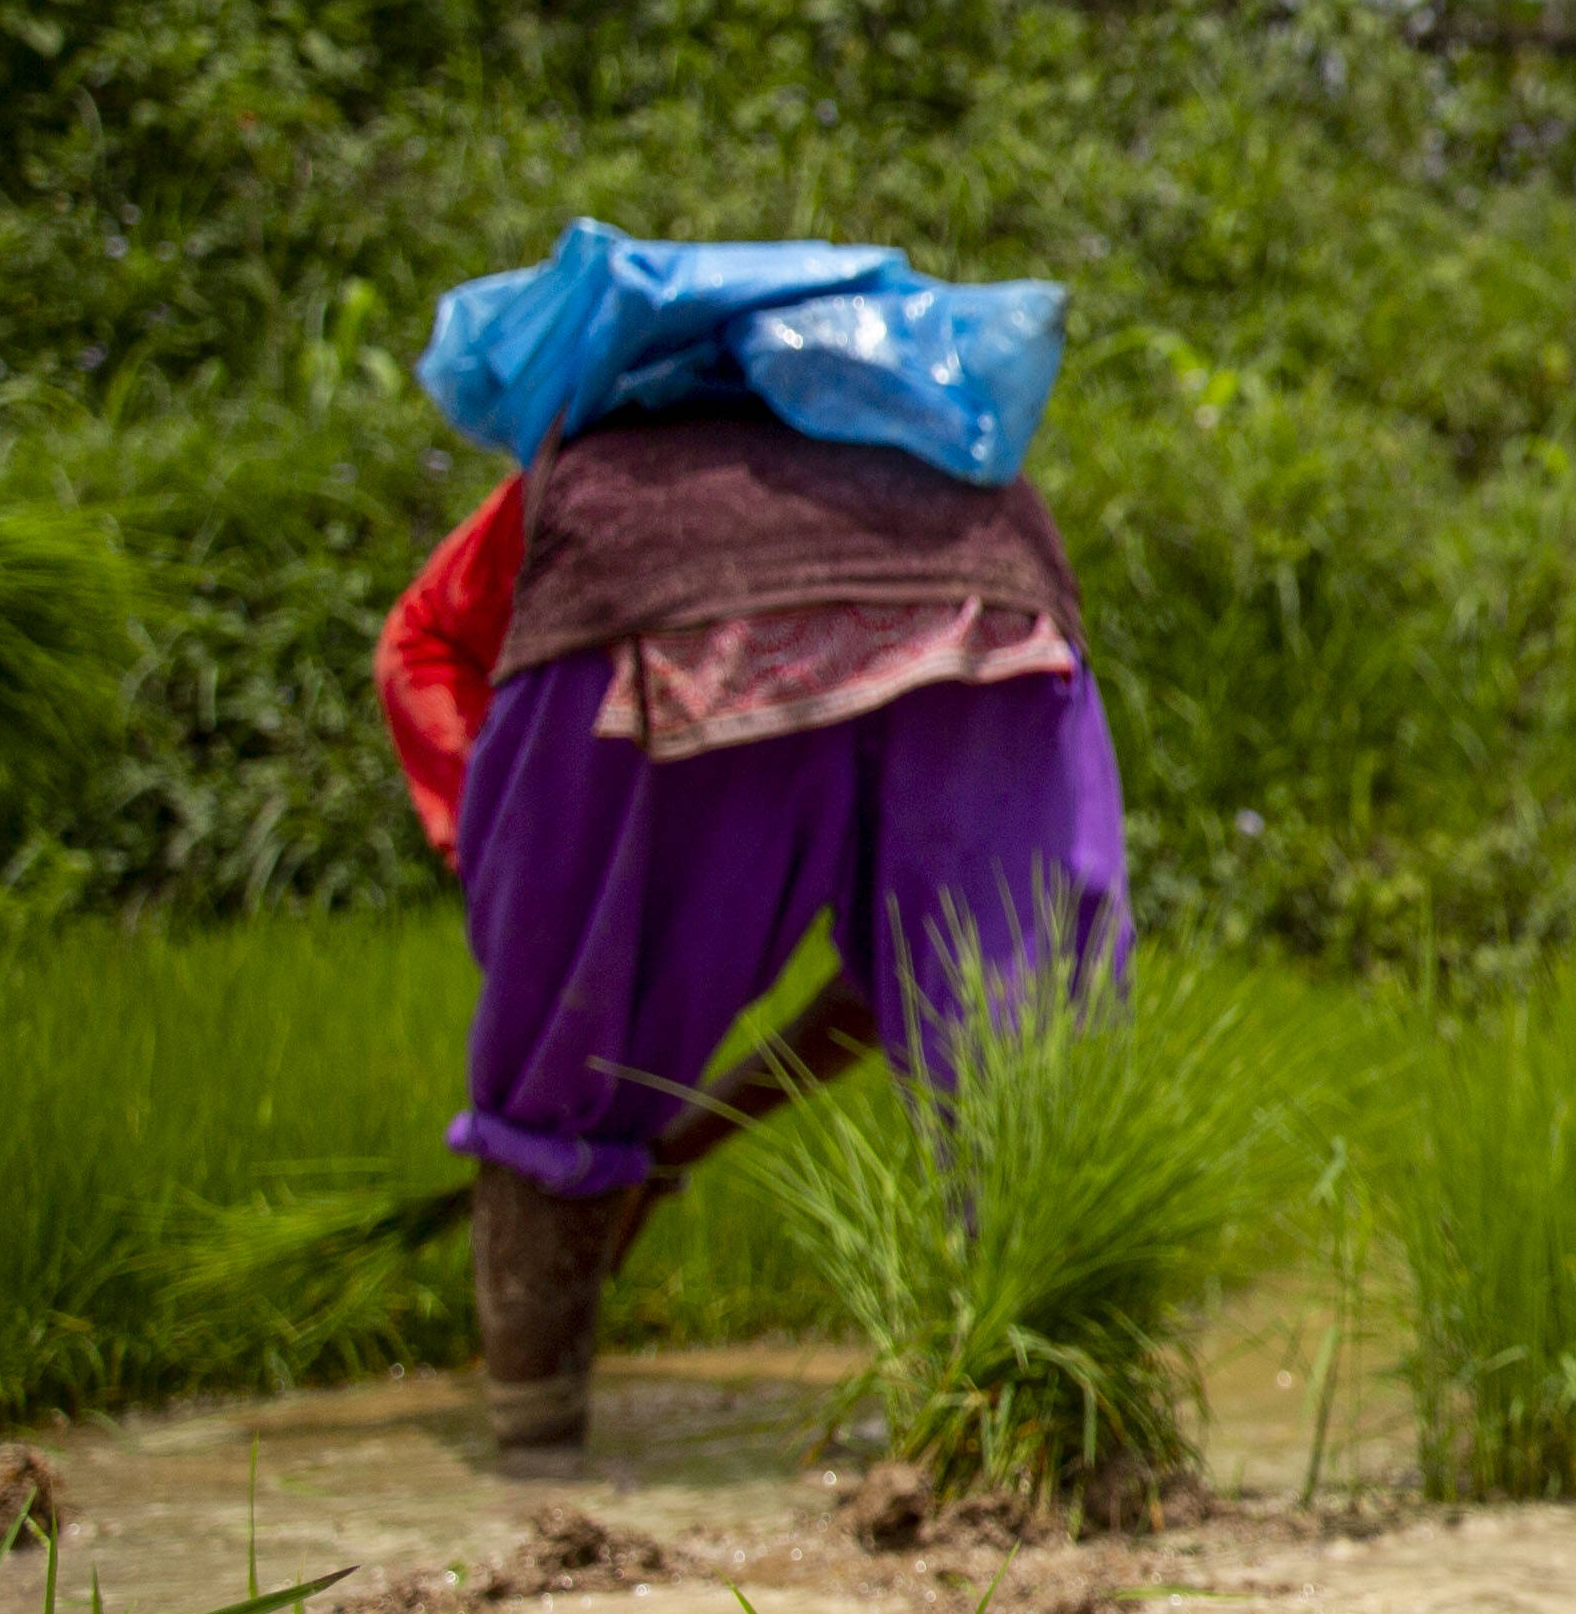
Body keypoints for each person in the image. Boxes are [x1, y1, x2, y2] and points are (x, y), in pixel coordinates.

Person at [378, 395, 1127, 1471]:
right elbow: (908, 984)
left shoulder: (590, 486)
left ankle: (534, 1479)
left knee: (554, 1082)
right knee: (1017, 1058)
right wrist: (670, 1147)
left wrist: (517, 876)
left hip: (671, 614)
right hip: (984, 606)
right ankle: (1053, 1469)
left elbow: (420, 644)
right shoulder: (922, 454)